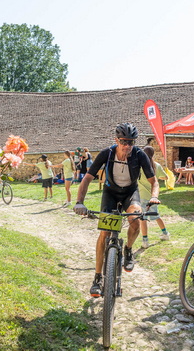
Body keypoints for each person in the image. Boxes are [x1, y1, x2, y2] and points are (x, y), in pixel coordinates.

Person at [73, 123, 160, 298]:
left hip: (130, 193)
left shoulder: (139, 155)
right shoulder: (107, 153)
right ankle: (97, 278)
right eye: (123, 141)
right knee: (104, 233)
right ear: (116, 140)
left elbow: (154, 182)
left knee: (135, 219)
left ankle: (128, 249)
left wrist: (154, 196)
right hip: (110, 193)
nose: (127, 146)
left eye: (131, 142)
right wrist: (79, 202)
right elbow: (87, 178)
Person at [138, 146, 170, 248]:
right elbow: (165, 177)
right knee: (156, 216)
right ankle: (165, 233)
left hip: (141, 195)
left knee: (142, 219)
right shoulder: (157, 165)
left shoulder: (139, 165)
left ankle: (145, 241)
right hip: (153, 196)